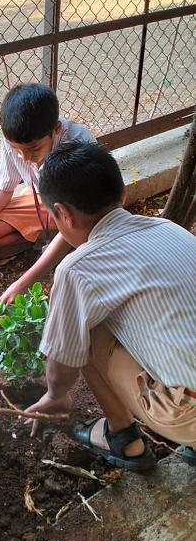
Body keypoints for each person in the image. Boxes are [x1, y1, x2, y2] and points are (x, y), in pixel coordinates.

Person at [22, 141, 196, 472]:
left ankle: (123, 438)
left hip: (188, 412)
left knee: (82, 327)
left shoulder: (77, 269)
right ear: (123, 196)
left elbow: (62, 365)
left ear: (65, 214)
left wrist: (56, 394)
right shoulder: (167, 228)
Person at [0, 84, 95, 304]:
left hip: (78, 208)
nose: (24, 158)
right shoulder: (15, 141)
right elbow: (5, 187)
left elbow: (74, 216)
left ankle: (57, 238)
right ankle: (43, 235)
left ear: (56, 130)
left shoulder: (76, 145)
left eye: (33, 149)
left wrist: (24, 282)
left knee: (77, 232)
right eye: (16, 149)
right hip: (44, 201)